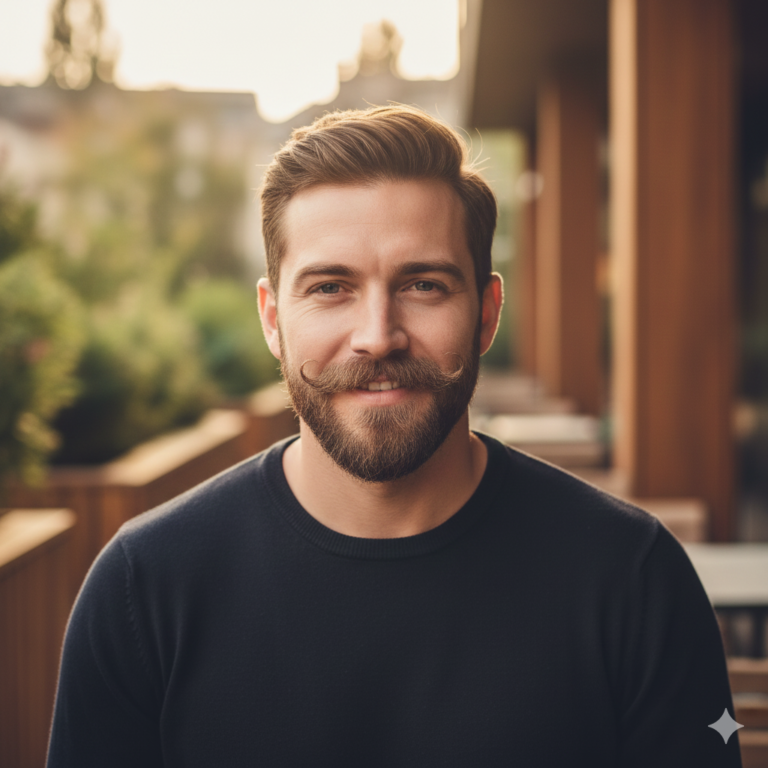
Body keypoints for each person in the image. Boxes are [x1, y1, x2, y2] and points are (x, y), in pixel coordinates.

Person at [47, 106, 741, 767]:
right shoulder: (144, 591)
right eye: (329, 288)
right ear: (270, 318)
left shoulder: (634, 582)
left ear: (487, 312)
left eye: (425, 284)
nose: (378, 336)